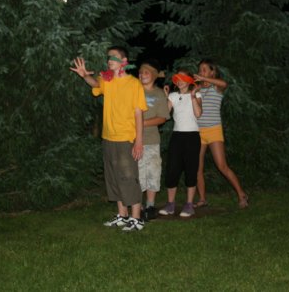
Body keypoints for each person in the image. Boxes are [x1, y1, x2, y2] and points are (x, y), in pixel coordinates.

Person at [70, 46, 148, 231]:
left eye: (114, 57)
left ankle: (136, 218)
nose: (109, 60)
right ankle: (122, 215)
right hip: (108, 137)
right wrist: (84, 75)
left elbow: (139, 114)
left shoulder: (134, 84)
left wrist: (138, 141)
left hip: (126, 138)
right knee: (113, 177)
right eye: (108, 57)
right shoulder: (108, 80)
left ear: (124, 61)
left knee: (129, 177)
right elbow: (95, 84)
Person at [194, 59, 249, 209]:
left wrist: (203, 79)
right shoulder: (197, 89)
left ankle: (241, 194)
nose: (201, 72)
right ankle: (202, 199)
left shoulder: (216, 87)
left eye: (204, 69)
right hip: (198, 131)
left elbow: (225, 84)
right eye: (199, 70)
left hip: (214, 130)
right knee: (197, 168)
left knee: (222, 165)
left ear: (212, 72)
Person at [158, 69, 202, 218]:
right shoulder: (173, 96)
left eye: (183, 77)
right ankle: (170, 204)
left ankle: (189, 205)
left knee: (191, 169)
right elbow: (165, 115)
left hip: (192, 136)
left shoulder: (196, 95)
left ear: (189, 80)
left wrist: (193, 95)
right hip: (177, 136)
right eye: (178, 78)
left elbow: (198, 114)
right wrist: (166, 97)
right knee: (172, 169)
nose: (180, 80)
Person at [137, 59, 170, 221]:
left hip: (151, 140)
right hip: (132, 140)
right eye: (140, 72)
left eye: (146, 72)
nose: (142, 75)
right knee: (137, 174)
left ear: (154, 75)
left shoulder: (158, 94)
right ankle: (138, 206)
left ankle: (150, 205)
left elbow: (162, 117)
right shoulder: (133, 91)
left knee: (152, 172)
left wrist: (141, 123)